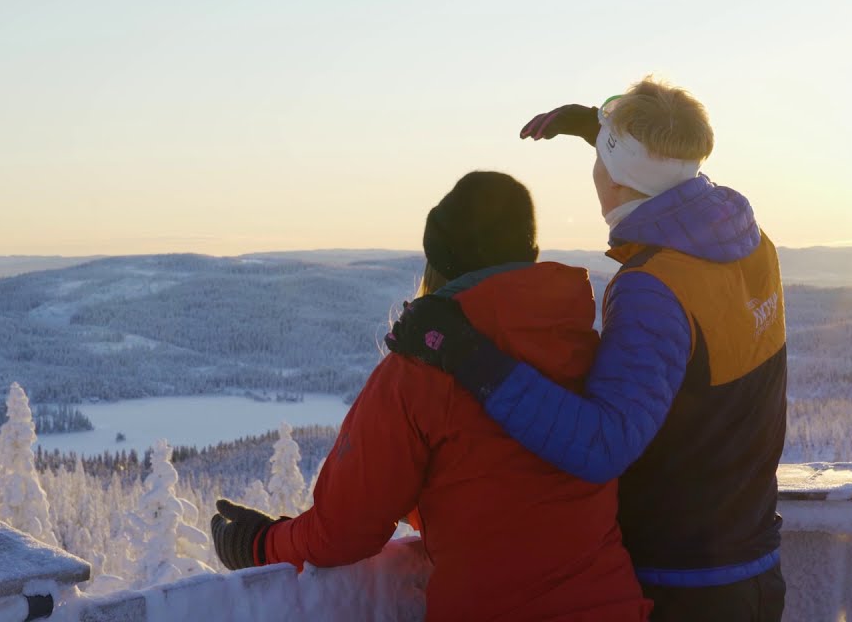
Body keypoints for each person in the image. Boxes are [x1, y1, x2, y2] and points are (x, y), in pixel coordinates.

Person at [386, 78, 787, 622]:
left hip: (683, 588)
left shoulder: (653, 288)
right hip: (754, 566)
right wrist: (598, 130)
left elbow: (602, 444)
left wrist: (463, 351)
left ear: (617, 182)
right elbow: (670, 171)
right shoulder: (747, 243)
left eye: (603, 159)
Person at [211, 171, 651, 622]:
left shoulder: (418, 371)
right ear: (529, 254)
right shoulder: (588, 347)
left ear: (439, 264)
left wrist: (261, 542)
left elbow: (342, 531)